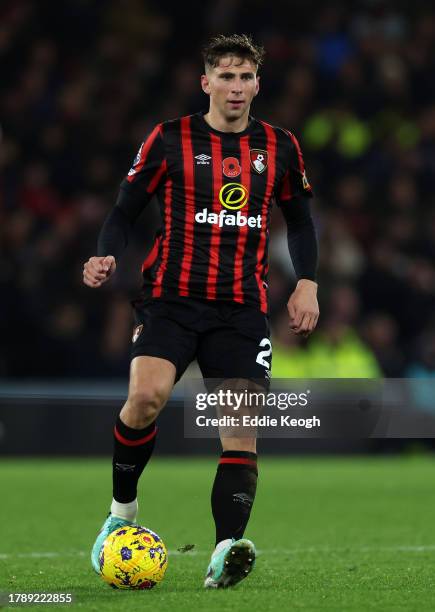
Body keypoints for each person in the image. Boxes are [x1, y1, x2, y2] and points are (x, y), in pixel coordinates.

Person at [83, 33, 319, 589]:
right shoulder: (169, 139)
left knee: (240, 430)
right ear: (206, 82)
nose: (236, 87)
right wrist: (103, 253)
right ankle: (121, 515)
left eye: (246, 77)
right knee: (144, 399)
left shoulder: (279, 146)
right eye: (226, 76)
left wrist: (306, 281)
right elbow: (124, 209)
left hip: (240, 308)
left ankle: (225, 551)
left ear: (258, 84)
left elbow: (302, 221)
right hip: (171, 299)